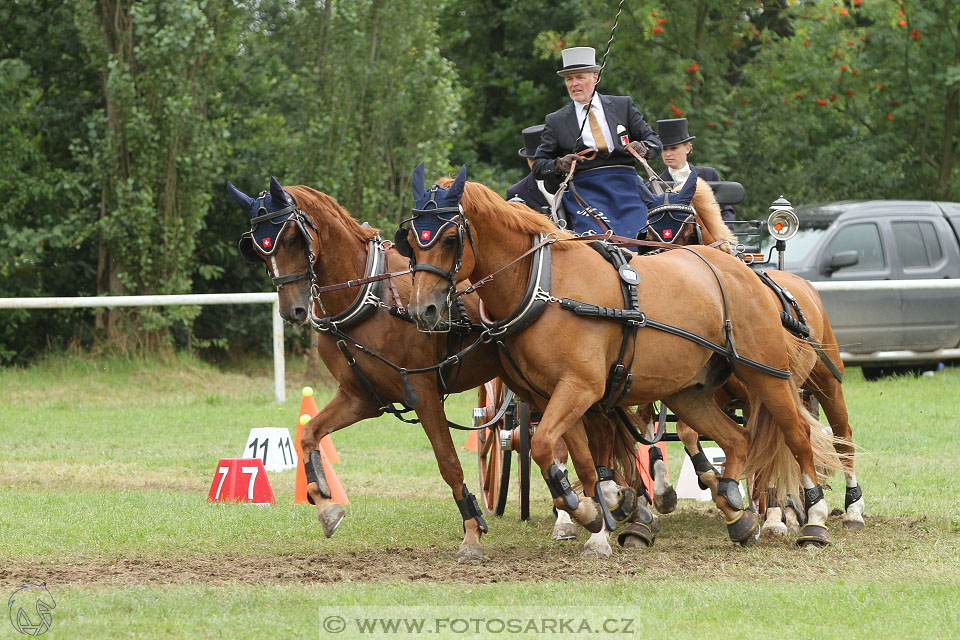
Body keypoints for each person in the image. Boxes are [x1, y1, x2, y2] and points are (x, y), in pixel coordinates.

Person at [532, 46, 662, 238]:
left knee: (645, 236)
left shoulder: (622, 105)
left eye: (580, 77)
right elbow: (539, 165)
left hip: (627, 185)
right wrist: (559, 164)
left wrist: (643, 148)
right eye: (569, 79)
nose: (574, 84)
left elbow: (655, 142)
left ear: (595, 77)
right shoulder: (556, 120)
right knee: (598, 242)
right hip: (585, 190)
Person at [656, 118, 735, 225]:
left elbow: (725, 209)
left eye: (673, 148)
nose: (668, 154)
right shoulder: (656, 184)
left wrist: (725, 236)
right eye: (664, 149)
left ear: (687, 148)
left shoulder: (708, 175)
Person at [506, 124, 554, 213]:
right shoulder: (517, 192)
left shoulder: (578, 179)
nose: (536, 164)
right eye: (532, 159)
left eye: (542, 158)